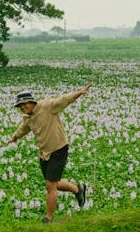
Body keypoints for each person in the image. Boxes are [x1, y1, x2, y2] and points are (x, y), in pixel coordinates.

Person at [9, 84, 92, 223]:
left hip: (59, 149)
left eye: (24, 105)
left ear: (31, 102)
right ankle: (78, 189)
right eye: (20, 106)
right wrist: (14, 137)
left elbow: (64, 100)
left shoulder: (47, 106)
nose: (22, 108)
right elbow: (24, 128)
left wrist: (79, 93)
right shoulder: (28, 117)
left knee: (50, 186)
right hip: (44, 153)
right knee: (54, 183)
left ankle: (48, 217)